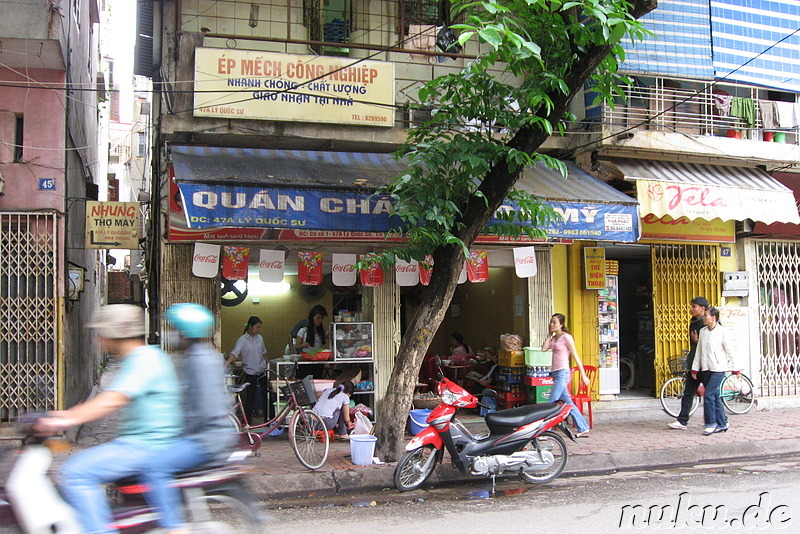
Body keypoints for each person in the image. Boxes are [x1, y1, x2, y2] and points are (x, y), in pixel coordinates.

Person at [35, 305, 182, 534]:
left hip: (147, 446)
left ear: (115, 334)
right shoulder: (141, 357)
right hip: (141, 442)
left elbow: (111, 400)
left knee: (76, 472)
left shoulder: (144, 359)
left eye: (102, 333)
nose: (99, 338)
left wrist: (63, 419)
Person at [139, 303, 236, 533]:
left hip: (206, 439)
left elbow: (203, 410)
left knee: (153, 467)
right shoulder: (202, 355)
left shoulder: (199, 360)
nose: (173, 335)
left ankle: (172, 526)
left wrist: (177, 434)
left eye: (176, 330)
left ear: (186, 332)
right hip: (208, 434)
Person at [542, 313, 591, 438]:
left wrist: (584, 375)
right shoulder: (553, 339)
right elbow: (544, 349)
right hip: (555, 373)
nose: (551, 324)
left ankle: (542, 430)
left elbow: (576, 356)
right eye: (551, 322)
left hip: (563, 373)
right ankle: (583, 427)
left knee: (552, 401)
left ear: (561, 325)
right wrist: (549, 335)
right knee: (568, 403)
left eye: (554, 322)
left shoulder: (567, 338)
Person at [692, 307, 738, 435]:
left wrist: (736, 368)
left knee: (708, 395)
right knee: (714, 396)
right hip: (706, 368)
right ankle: (722, 423)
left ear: (713, 318)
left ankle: (711, 423)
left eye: (706, 315)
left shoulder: (722, 331)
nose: (704, 318)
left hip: (718, 368)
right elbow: (699, 351)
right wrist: (695, 368)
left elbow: (730, 350)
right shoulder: (703, 331)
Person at [668, 296, 710, 430]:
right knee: (688, 392)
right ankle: (682, 420)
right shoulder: (693, 323)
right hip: (694, 363)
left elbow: (710, 344)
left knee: (711, 394)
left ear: (702, 309)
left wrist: (698, 342)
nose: (691, 309)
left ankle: (722, 420)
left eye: (694, 307)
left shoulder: (708, 324)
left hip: (706, 364)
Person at [226, 316, 271, 422]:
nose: (258, 330)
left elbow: (264, 352)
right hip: (250, 372)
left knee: (266, 395)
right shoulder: (242, 340)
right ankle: (247, 422)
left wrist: (268, 365)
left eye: (260, 328)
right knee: (250, 397)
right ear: (250, 326)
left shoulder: (260, 338)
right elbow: (234, 353)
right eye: (257, 327)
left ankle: (269, 420)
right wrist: (226, 364)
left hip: (262, 370)